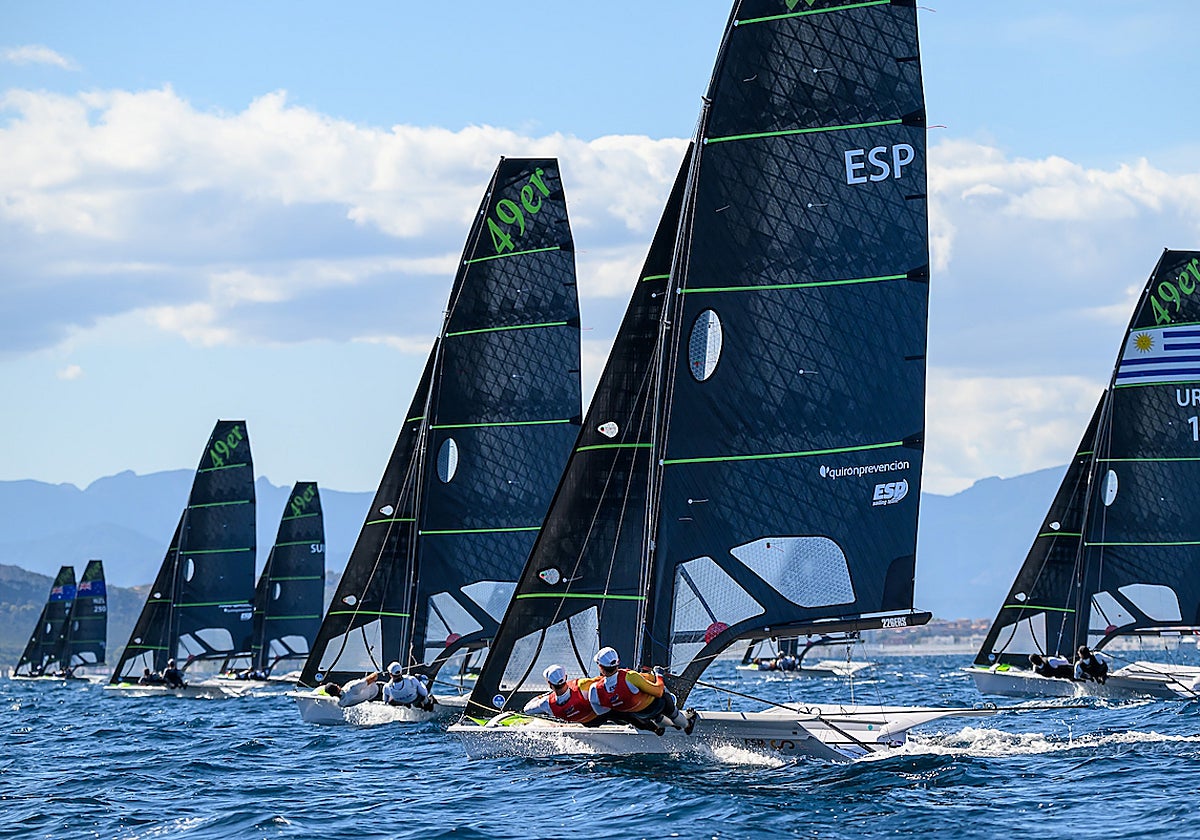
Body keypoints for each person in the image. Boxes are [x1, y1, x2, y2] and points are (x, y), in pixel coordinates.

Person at [592, 647, 696, 736]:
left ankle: (666, 725)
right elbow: (658, 691)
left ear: (600, 667)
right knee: (665, 698)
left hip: (639, 715)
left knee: (654, 716)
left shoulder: (597, 689)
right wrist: (659, 675)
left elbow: (602, 712)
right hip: (656, 705)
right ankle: (687, 725)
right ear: (618, 662)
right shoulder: (630, 677)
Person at [522, 665, 609, 726]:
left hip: (584, 724)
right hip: (601, 716)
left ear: (549, 684)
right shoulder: (582, 685)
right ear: (566, 677)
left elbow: (527, 709)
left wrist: (543, 696)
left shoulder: (546, 703)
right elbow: (608, 680)